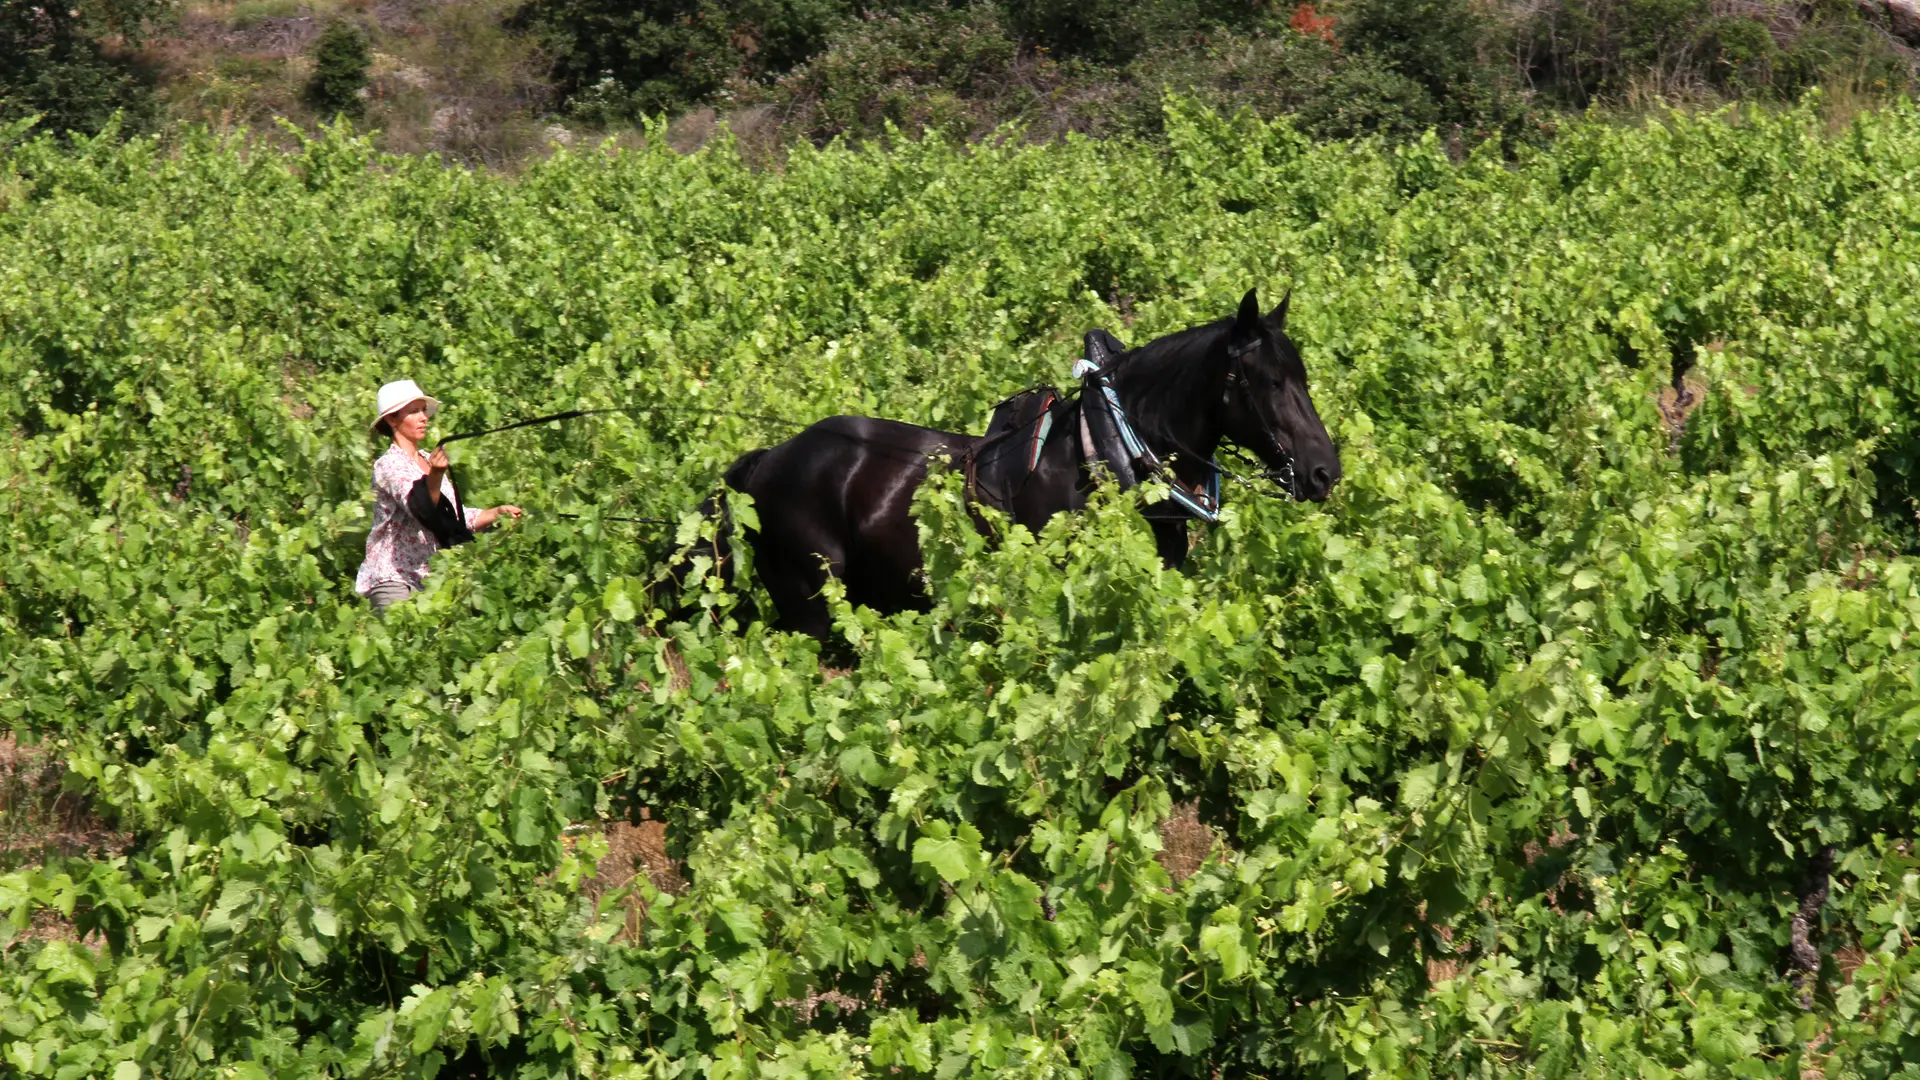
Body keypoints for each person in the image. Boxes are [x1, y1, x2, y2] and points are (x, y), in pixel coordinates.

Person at [354, 379, 523, 611]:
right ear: (392, 419)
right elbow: (419, 507)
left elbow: (452, 515)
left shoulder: (427, 459)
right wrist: (435, 474)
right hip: (394, 579)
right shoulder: (388, 465)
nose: (424, 417)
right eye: (413, 412)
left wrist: (496, 513)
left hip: (430, 581)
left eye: (423, 410)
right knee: (402, 642)